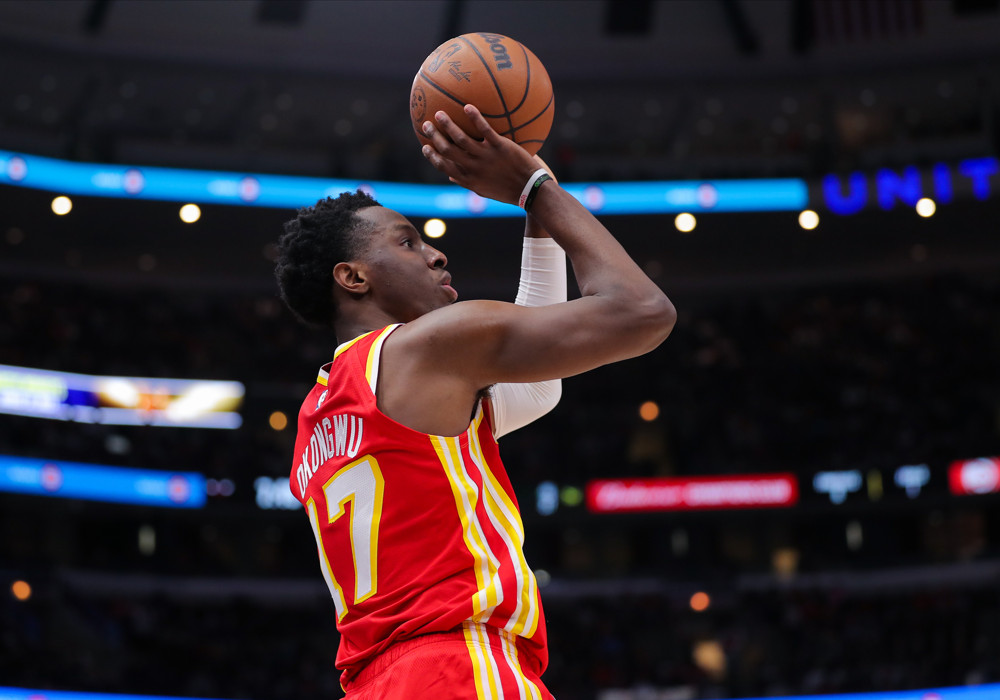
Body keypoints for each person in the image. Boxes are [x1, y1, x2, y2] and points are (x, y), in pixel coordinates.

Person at [275, 105, 676, 699]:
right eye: (407, 242)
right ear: (353, 278)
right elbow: (642, 312)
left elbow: (538, 388)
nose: (437, 254)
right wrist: (535, 189)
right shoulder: (427, 347)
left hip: (377, 684)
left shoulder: (321, 413)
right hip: (458, 667)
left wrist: (536, 221)